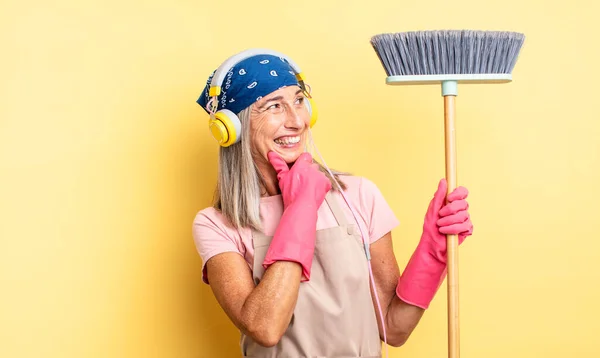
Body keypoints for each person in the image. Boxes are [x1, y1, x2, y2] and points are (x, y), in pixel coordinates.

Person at [192, 48, 473, 358]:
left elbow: (393, 328)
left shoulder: (357, 195)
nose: (297, 121)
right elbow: (265, 327)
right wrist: (301, 210)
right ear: (232, 128)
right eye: (274, 106)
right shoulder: (216, 224)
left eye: (299, 100)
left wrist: (433, 253)